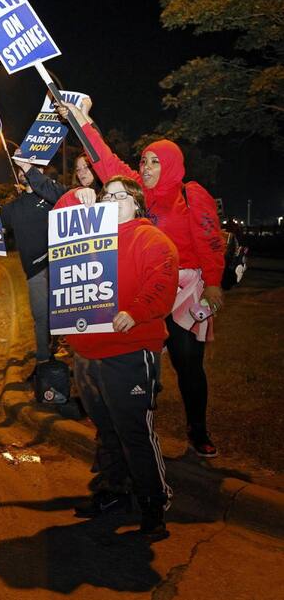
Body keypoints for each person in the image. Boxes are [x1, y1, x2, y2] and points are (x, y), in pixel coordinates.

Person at [58, 100, 225, 458]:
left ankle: (198, 430)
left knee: (187, 362)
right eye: (144, 161)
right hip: (141, 287)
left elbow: (211, 242)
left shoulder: (190, 195)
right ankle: (140, 420)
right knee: (141, 355)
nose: (146, 168)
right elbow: (104, 159)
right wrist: (80, 119)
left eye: (155, 162)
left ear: (172, 166)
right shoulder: (134, 191)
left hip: (185, 290)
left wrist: (213, 285)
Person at [58, 177, 178, 541]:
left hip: (129, 350)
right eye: (106, 195)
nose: (111, 199)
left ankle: (154, 504)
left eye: (119, 195)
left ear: (137, 204)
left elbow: (163, 283)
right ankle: (113, 492)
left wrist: (137, 310)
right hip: (88, 354)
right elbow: (60, 225)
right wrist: (75, 197)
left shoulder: (151, 239)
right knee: (106, 429)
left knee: (134, 431)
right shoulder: (90, 237)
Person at [0, 158, 66, 370]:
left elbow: (64, 196)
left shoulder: (54, 196)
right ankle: (43, 362)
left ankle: (62, 351)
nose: (24, 170)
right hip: (35, 270)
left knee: (64, 315)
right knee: (41, 317)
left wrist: (31, 169)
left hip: (62, 265)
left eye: (31, 167)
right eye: (21, 168)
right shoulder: (15, 207)